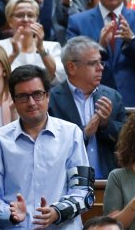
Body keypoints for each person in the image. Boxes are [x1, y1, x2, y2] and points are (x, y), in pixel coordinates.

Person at [0, 65, 94, 230]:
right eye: (23, 96)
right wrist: (10, 212)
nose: (31, 102)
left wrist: (56, 212)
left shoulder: (71, 134)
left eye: (37, 94)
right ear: (14, 101)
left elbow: (84, 193)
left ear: (48, 96)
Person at [48, 36, 127, 180]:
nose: (101, 68)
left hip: (108, 182)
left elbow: (128, 138)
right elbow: (49, 146)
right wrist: (83, 134)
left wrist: (105, 124)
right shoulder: (52, 99)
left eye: (101, 62)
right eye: (93, 63)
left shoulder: (112, 96)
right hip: (66, 182)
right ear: (72, 67)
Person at [0, 0, 65, 85]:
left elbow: (59, 78)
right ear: (9, 21)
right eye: (19, 15)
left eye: (30, 15)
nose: (25, 19)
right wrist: (13, 55)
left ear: (37, 19)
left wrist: (41, 49)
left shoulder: (51, 47)